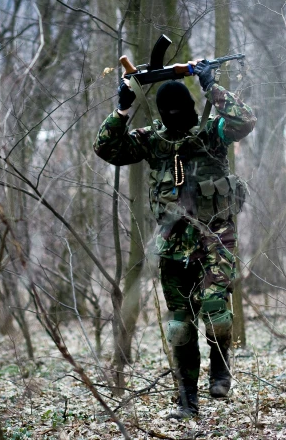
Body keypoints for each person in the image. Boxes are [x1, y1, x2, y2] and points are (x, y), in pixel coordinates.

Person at [93, 59, 256, 418]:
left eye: (180, 107)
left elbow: (245, 120)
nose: (173, 113)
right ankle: (187, 400)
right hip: (172, 244)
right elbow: (107, 149)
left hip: (216, 237)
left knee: (217, 315)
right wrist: (122, 107)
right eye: (167, 109)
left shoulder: (213, 133)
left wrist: (211, 85)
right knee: (181, 327)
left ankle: (220, 370)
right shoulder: (152, 141)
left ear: (193, 106)